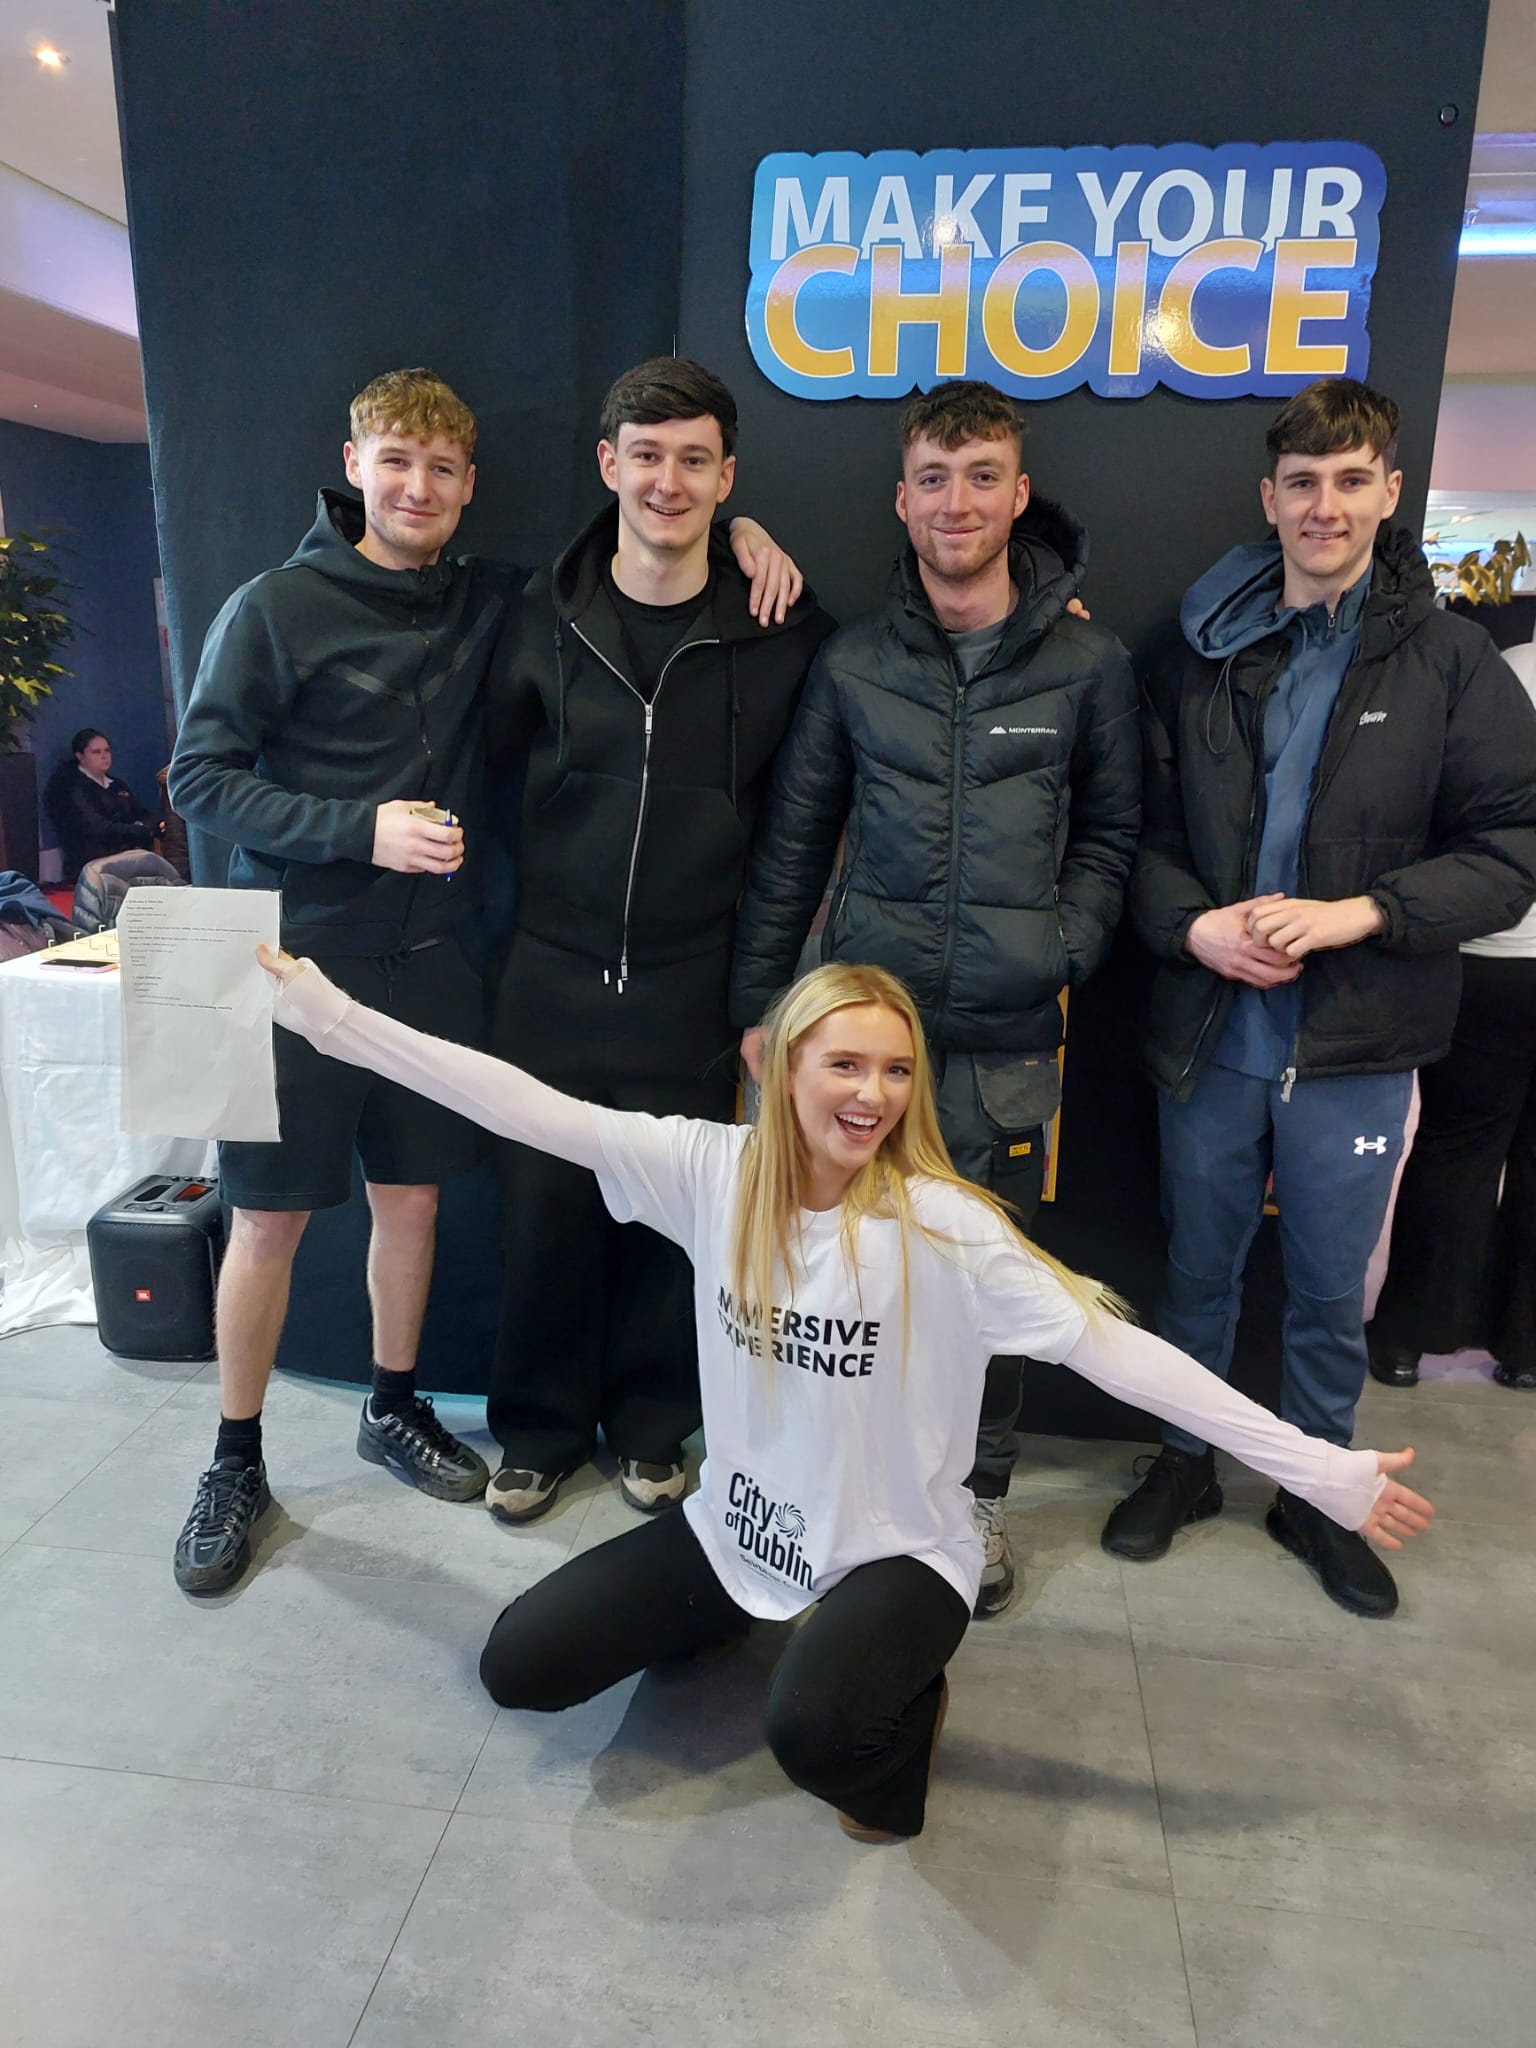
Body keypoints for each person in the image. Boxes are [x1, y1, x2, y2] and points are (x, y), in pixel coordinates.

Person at [259, 942, 1433, 1842]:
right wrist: (330, 1017)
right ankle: (729, 1617)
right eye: (847, 1063)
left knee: (820, 1737)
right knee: (520, 1666)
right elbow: (519, 1102)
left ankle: (907, 1694)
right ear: (781, 1067)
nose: (873, 1093)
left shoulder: (947, 1227)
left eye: (896, 1069)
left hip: (900, 1550)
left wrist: (1318, 1468)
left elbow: (1123, 1354)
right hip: (739, 1529)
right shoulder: (710, 1171)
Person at [166, 365, 799, 1595]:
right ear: (353, 466)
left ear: (468, 487)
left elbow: (647, 545)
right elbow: (198, 778)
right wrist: (360, 829)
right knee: (268, 1218)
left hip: (437, 968)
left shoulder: (496, 601)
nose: (418, 487)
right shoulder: (272, 606)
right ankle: (233, 1457)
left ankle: (393, 1405)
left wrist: (744, 533)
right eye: (396, 462)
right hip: (287, 962)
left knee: (412, 1204)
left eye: (442, 469)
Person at [1106, 377, 1536, 1619]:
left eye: (1352, 480)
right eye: (1303, 482)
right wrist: (1192, 925)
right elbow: (1134, 834)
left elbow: (1514, 847)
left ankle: (1319, 1491)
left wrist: (1366, 913)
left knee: (1327, 1290)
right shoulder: (1197, 652)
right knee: (1196, 1271)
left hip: (1357, 1041)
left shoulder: (1451, 660)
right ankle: (1183, 1462)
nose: (1326, 505)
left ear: (1390, 491)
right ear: (1270, 496)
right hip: (1211, 1033)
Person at [728, 379, 1139, 1616]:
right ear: (902, 500)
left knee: (985, 1288)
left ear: (1019, 495)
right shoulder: (854, 661)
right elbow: (795, 843)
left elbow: (1114, 834)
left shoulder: (1089, 663)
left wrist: (1061, 946)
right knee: (844, 1281)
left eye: (981, 477)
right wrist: (765, 1005)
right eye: (933, 479)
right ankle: (836, 1489)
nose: (956, 502)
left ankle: (977, 1498)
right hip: (864, 1044)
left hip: (1007, 1046)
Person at [481, 358, 833, 1527]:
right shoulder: (535, 615)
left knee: (671, 1226)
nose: (667, 482)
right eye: (646, 456)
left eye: (694, 460)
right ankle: (535, 1432)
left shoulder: (782, 628)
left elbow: (802, 816)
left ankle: (649, 1424)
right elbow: (489, 781)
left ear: (728, 478)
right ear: (608, 464)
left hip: (692, 982)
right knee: (540, 1221)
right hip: (548, 976)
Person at [1368, 637, 1536, 1394]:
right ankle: (1525, 1347)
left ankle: (1409, 1336)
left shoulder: (1505, 672)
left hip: (1493, 951)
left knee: (1456, 1147)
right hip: (1495, 951)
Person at [43, 728, 156, 881]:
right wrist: (140, 831)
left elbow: (141, 812)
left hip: (126, 856)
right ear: (80, 756)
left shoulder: (116, 784)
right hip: (91, 865)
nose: (104, 756)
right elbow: (96, 828)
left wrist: (149, 826)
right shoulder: (71, 788)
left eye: (107, 750)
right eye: (96, 752)